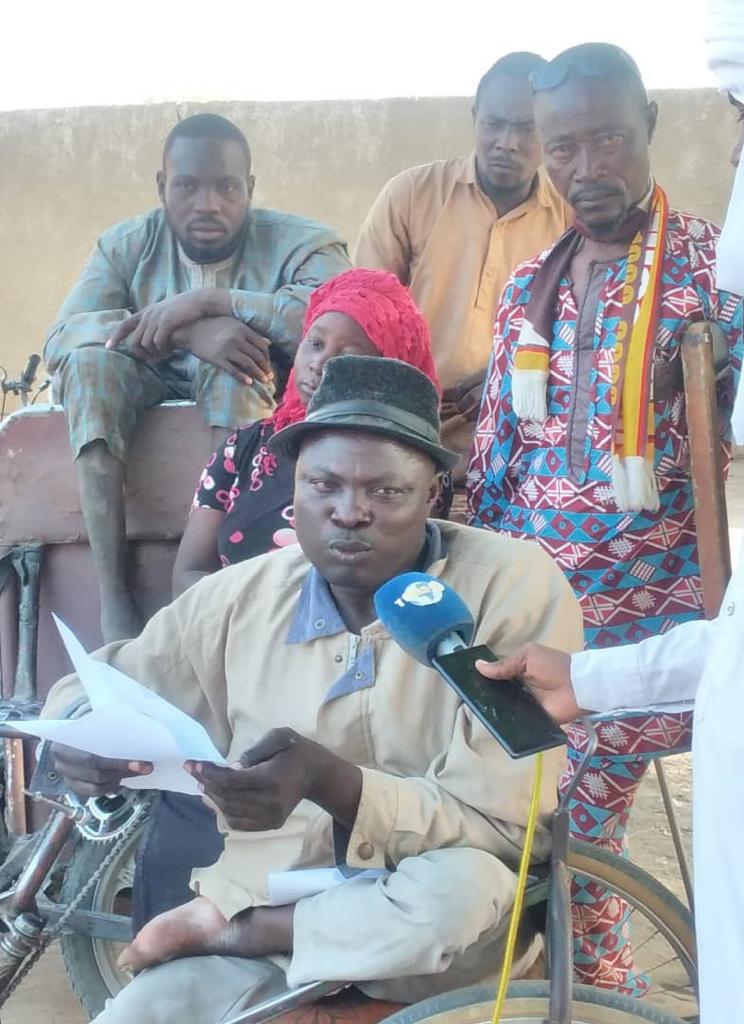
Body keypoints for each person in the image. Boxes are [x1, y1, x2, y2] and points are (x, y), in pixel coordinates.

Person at [42, 355, 584, 1024]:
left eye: (385, 492)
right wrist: (81, 734)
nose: (349, 512)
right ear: (294, 492)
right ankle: (264, 956)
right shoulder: (242, 595)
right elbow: (100, 681)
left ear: (434, 495)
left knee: (460, 889)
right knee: (136, 1015)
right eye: (323, 484)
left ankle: (231, 930)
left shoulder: (509, 585)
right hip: (270, 902)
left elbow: (505, 823)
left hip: (426, 937)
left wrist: (334, 783)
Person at [478, 11, 744, 1023]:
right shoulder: (525, 293)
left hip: (668, 605)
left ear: (653, 126)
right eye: (563, 147)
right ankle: (591, 969)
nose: (585, 166)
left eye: (609, 139)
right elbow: (500, 448)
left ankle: (615, 981)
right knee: (527, 798)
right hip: (550, 602)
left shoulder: (712, 274)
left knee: (581, 797)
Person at [132, 268, 447, 930]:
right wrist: (240, 641)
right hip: (237, 677)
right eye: (315, 343)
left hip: (355, 697)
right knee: (189, 841)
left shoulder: (422, 482)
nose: (324, 364)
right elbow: (193, 570)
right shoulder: (247, 452)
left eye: (352, 353)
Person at [44, 112, 350, 643]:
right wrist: (186, 332)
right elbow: (62, 338)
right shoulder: (125, 245)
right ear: (163, 187)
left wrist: (215, 303)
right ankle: (114, 599)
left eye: (226, 187)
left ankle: (215, 572)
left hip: (244, 391)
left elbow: (335, 315)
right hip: (147, 375)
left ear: (249, 188)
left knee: (235, 365)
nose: (207, 203)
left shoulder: (302, 241)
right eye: (187, 186)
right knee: (90, 370)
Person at [355, 52, 569, 497]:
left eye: (526, 128)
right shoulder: (411, 195)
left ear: (551, 127)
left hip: (518, 427)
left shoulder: (570, 220)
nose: (506, 142)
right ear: (474, 117)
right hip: (406, 418)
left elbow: (582, 334)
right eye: (493, 123)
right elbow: (361, 314)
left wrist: (505, 370)